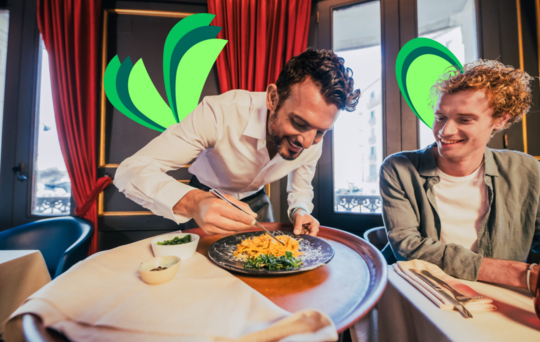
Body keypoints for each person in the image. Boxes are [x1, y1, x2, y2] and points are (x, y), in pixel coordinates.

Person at [114, 48, 360, 236]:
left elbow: (301, 188)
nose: (308, 143)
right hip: (204, 196)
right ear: (273, 98)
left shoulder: (313, 137)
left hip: (257, 201)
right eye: (299, 123)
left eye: (320, 132)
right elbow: (130, 170)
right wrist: (192, 202)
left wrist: (300, 210)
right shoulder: (220, 112)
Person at [380, 59, 540, 292]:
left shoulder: (527, 169)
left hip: (503, 297)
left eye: (464, 119)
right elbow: (407, 248)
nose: (445, 132)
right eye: (440, 117)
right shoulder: (398, 168)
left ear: (500, 119)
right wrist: (516, 274)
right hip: (422, 295)